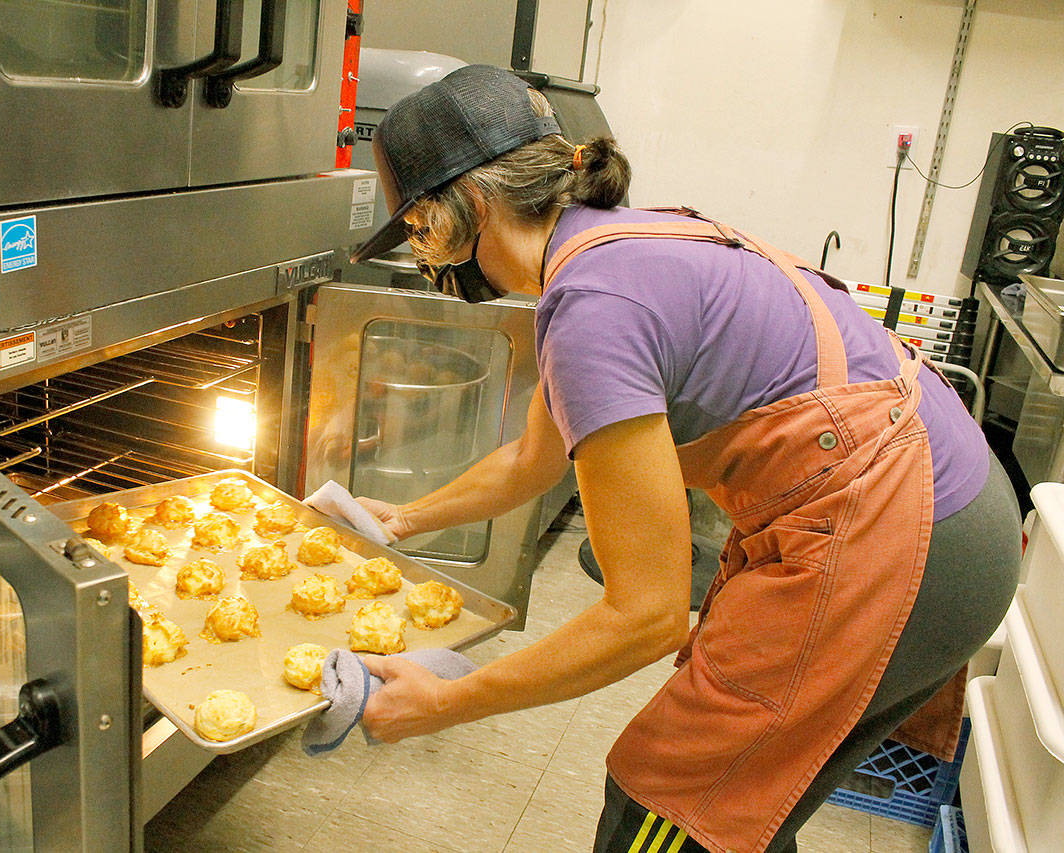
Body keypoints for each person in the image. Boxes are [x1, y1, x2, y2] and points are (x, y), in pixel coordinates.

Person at [347, 64, 1020, 853]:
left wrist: (446, 700)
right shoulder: (612, 250)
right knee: (744, 789)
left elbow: (645, 615)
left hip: (904, 540)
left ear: (472, 206)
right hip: (947, 512)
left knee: (676, 797)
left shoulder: (593, 309)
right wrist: (403, 518)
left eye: (420, 228)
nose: (426, 255)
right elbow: (536, 456)